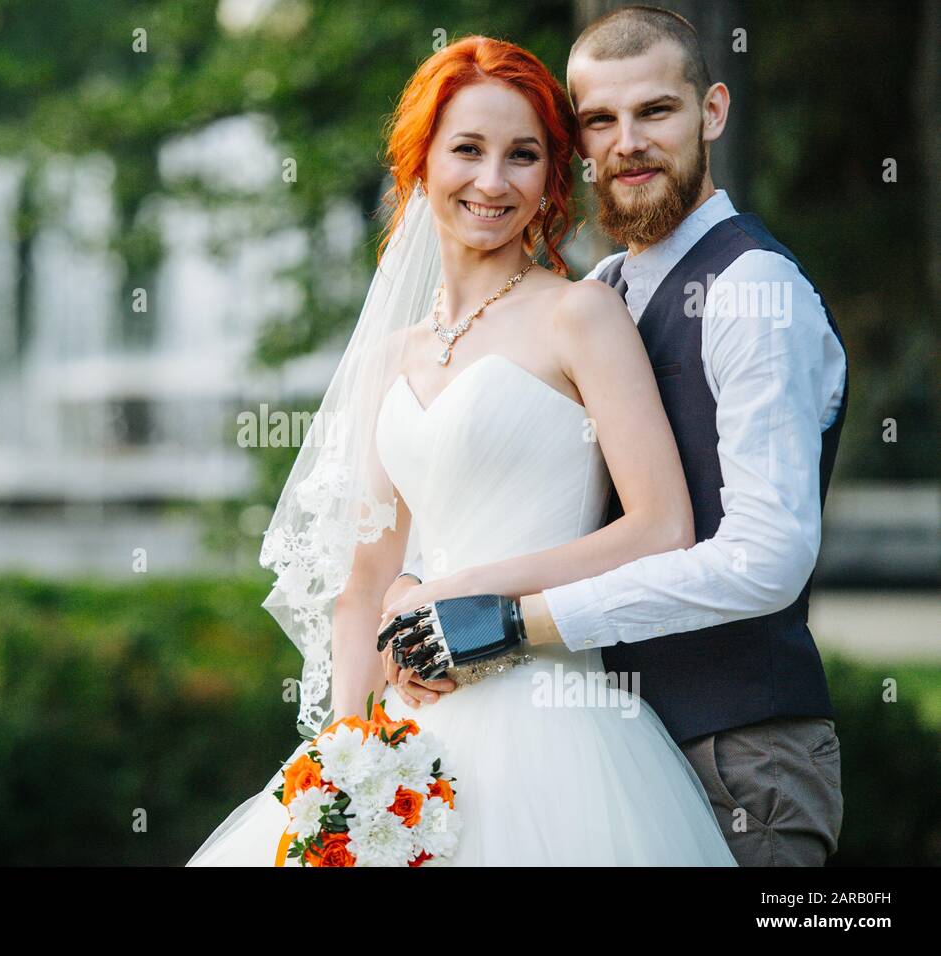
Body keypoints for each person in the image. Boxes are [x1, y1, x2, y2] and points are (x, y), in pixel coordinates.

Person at [188, 33, 736, 866]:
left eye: (522, 156)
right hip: (409, 725)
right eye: (468, 150)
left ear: (552, 176)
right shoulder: (389, 356)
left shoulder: (580, 317)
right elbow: (366, 580)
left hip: (551, 718)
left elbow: (662, 527)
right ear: (420, 162)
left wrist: (454, 590)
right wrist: (350, 762)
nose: (492, 181)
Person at [389, 6, 848, 867]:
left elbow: (766, 557)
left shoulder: (758, 291)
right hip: (598, 744)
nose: (628, 142)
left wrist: (512, 623)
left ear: (712, 112)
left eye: (656, 112)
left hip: (739, 752)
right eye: (601, 120)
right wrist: (426, 573)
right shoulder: (603, 288)